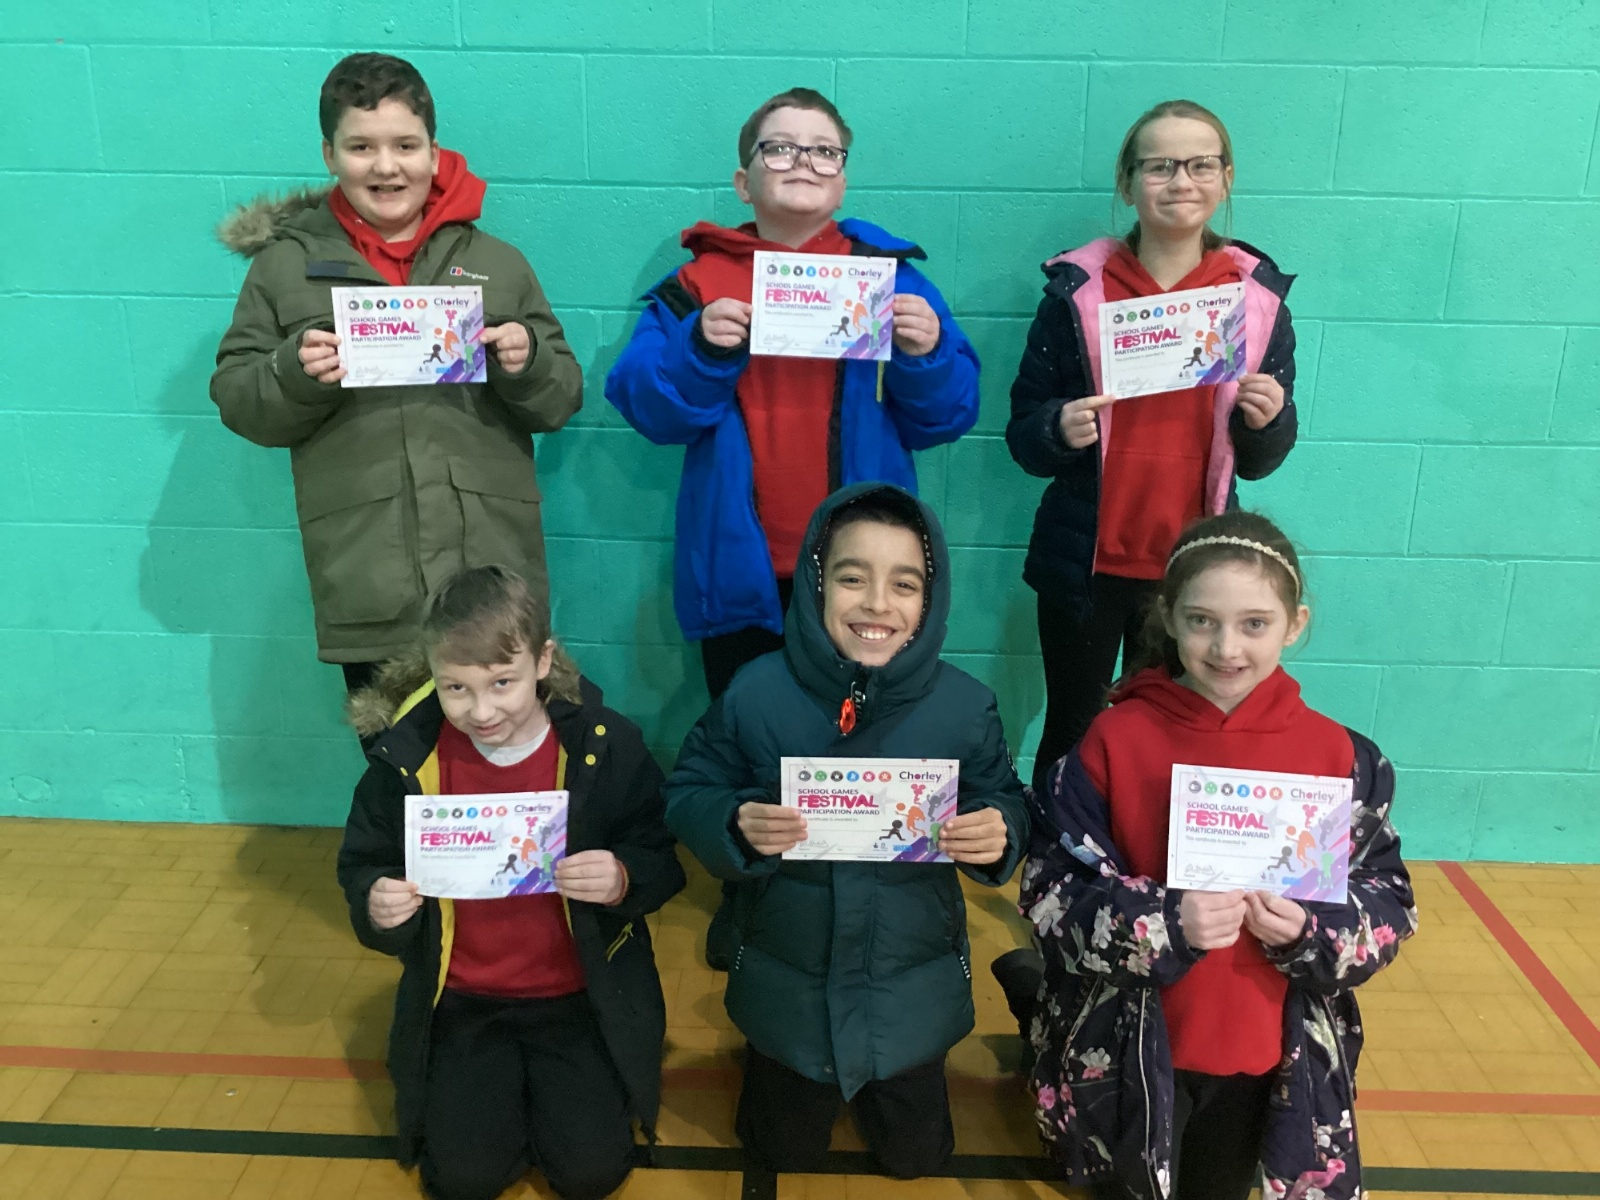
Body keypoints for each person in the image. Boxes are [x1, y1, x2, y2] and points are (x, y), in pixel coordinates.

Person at [607, 86, 980, 968]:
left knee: (864, 733)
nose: (802, 164)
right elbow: (647, 407)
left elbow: (951, 413)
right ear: (744, 180)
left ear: (843, 177)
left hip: (860, 575)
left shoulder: (893, 279)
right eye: (779, 149)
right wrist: (701, 348)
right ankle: (752, 893)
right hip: (738, 566)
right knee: (747, 738)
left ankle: (864, 892)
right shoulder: (695, 286)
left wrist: (926, 354)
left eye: (823, 151)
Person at [1014, 511, 1417, 1200]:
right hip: (1128, 1049)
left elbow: (1388, 903)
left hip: (1267, 1058)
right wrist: (1165, 923)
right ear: (1168, 618)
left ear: (1294, 625)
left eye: (1255, 623)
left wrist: (1310, 931)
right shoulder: (1114, 740)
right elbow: (1050, 894)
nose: (1227, 647)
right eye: (1202, 621)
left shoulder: (1342, 757)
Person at [664, 484, 1028, 1179]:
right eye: (852, 578)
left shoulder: (965, 707)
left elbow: (1004, 797)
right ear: (816, 584)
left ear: (930, 600)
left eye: (905, 584)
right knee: (778, 1152)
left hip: (908, 992)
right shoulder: (755, 692)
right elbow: (689, 789)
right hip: (788, 990)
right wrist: (733, 822)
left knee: (917, 1160)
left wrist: (1000, 830)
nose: (877, 603)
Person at [212, 53, 582, 696]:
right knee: (394, 753)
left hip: (491, 578)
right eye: (361, 146)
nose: (386, 166)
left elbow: (561, 399)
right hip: (369, 581)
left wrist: (528, 363)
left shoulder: (498, 263)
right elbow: (238, 398)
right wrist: (292, 372)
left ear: (434, 153)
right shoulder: (283, 269)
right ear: (329, 155)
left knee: (500, 745)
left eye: (405, 145)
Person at [336, 566, 685, 1200]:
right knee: (463, 1181)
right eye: (456, 688)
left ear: (543, 661)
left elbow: (660, 852)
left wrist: (623, 876)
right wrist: (375, 900)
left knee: (591, 1175)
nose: (482, 710)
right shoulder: (406, 760)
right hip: (463, 1002)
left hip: (577, 997)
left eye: (502, 682)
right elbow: (363, 860)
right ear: (432, 673)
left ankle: (549, 1102)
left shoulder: (603, 746)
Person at [1006, 99, 1299, 793]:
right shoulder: (1078, 292)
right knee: (1072, 727)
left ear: (1226, 178)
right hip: (1086, 563)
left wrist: (1267, 421)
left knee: (1174, 733)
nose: (1181, 181)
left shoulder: (1255, 300)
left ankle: (1151, 846)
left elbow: (1261, 460)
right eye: (1160, 165)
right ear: (1128, 180)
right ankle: (1056, 846)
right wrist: (1057, 429)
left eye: (1201, 165)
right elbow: (1024, 436)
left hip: (1193, 571)